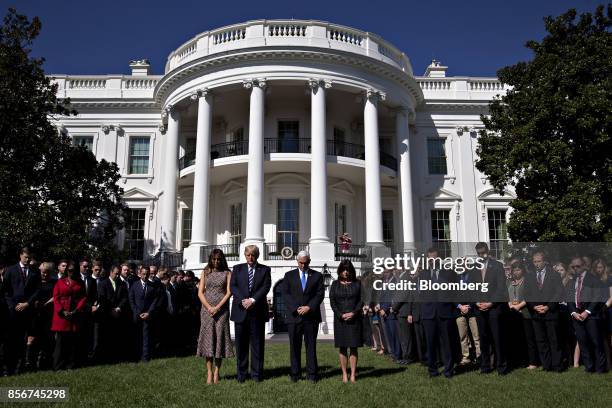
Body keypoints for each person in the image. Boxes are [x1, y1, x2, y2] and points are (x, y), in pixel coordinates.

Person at [230, 245, 271, 382]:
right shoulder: (237, 269)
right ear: (245, 255)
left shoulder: (265, 269)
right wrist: (243, 300)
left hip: (257, 312)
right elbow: (233, 286)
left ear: (257, 256)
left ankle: (256, 375)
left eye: (253, 255)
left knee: (257, 345)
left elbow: (266, 286)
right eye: (248, 255)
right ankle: (241, 375)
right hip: (240, 311)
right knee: (241, 346)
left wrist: (252, 300)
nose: (250, 258)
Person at [282, 251, 324, 382]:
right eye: (301, 262)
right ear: (297, 261)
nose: (303, 265)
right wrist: (296, 308)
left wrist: (309, 307)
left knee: (311, 346)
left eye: (306, 263)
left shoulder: (317, 276)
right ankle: (295, 374)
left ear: (309, 261)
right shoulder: (289, 275)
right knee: (294, 347)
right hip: (294, 317)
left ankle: (312, 375)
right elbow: (285, 294)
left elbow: (319, 294)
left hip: (311, 317)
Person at [196, 249, 234, 384]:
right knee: (208, 340)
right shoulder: (205, 272)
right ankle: (209, 372)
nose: (216, 262)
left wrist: (217, 307)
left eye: (218, 259)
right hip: (206, 311)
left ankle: (217, 371)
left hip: (222, 311)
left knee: (219, 340)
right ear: (211, 259)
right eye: (214, 259)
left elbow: (229, 292)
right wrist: (209, 307)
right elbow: (200, 292)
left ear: (222, 259)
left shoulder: (228, 273)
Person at [420, 248, 457, 378]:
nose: (432, 261)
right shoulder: (423, 274)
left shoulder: (448, 272)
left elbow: (454, 291)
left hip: (445, 313)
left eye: (434, 258)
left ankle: (448, 370)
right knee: (430, 344)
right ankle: (432, 370)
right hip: (429, 313)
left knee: (447, 343)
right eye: (430, 259)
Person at [3, 247, 41, 375]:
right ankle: (9, 368)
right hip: (13, 312)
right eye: (25, 257)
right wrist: (13, 306)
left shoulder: (35, 272)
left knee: (24, 341)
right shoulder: (11, 270)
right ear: (20, 256)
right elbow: (6, 291)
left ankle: (21, 368)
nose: (27, 260)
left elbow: (37, 290)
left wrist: (27, 303)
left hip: (27, 311)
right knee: (11, 341)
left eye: (29, 258)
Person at [524, 251, 564, 372]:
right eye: (534, 262)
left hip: (550, 312)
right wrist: (534, 307)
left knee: (554, 340)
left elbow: (559, 292)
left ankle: (557, 366)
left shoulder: (554, 274)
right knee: (541, 341)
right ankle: (546, 366)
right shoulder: (529, 276)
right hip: (536, 313)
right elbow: (526, 294)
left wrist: (548, 306)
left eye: (539, 261)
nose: (536, 264)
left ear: (544, 261)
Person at [567, 256, 608, 373]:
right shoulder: (571, 281)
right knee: (582, 342)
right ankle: (589, 368)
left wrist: (587, 311)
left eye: (578, 266)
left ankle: (600, 369)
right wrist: (574, 312)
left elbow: (597, 297)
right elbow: (569, 298)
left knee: (596, 342)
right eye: (573, 267)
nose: (575, 269)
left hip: (592, 315)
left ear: (584, 265)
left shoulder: (593, 279)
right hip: (577, 316)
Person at [473, 242, 509, 375]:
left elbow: (501, 289)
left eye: (483, 252)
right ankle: (485, 366)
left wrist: (490, 303)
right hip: (479, 308)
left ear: (488, 251)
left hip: (494, 308)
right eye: (479, 253)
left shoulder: (498, 266)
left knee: (497, 338)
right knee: (483, 339)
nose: (482, 255)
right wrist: (477, 302)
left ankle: (501, 367)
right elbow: (471, 287)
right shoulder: (474, 267)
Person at [329, 259, 363, 383]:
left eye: (348, 270)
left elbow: (361, 300)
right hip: (340, 320)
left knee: (354, 347)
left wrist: (353, 313)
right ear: (339, 271)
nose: (345, 272)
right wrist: (340, 315)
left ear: (351, 270)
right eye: (343, 270)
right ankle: (344, 374)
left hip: (354, 320)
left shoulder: (357, 283)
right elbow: (332, 302)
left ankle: (353, 374)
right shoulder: (334, 284)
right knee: (342, 348)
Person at [51, 262, 86, 371]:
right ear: (66, 271)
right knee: (60, 343)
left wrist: (76, 310)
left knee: (72, 343)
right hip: (62, 317)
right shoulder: (60, 282)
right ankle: (57, 366)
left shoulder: (80, 283)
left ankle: (70, 365)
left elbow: (83, 298)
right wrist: (62, 311)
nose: (71, 272)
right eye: (69, 270)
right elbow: (55, 298)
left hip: (73, 315)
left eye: (73, 270)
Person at [506, 262, 538, 369]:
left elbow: (529, 296)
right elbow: (506, 295)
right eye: (514, 270)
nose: (516, 272)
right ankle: (518, 361)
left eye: (518, 269)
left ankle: (532, 362)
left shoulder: (527, 281)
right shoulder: (509, 282)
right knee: (516, 338)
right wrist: (510, 304)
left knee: (528, 338)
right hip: (512, 313)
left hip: (525, 313)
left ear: (522, 270)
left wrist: (519, 306)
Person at [97, 265, 129, 363]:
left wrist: (118, 308)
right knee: (106, 337)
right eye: (116, 273)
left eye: (118, 274)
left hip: (118, 313)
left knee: (116, 337)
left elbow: (125, 297)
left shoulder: (121, 284)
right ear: (110, 272)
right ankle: (105, 357)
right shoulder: (103, 283)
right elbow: (102, 298)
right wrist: (111, 310)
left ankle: (115, 357)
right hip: (107, 314)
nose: (117, 275)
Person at [27, 262, 56, 371]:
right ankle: (30, 363)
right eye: (43, 272)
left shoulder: (54, 282)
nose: (45, 275)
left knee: (47, 339)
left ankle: (44, 364)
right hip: (35, 314)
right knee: (32, 338)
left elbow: (55, 296)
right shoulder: (35, 281)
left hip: (48, 313)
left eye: (47, 273)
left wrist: (46, 303)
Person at [128, 265, 160, 362]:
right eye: (143, 274)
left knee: (146, 337)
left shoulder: (152, 286)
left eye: (147, 274)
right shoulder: (134, 285)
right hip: (136, 315)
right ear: (140, 274)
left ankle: (145, 357)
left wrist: (149, 312)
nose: (145, 276)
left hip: (147, 315)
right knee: (136, 336)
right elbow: (131, 299)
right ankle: (136, 356)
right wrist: (137, 312)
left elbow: (155, 300)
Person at [455, 260, 481, 366]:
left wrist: (469, 306)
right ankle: (466, 357)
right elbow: (451, 295)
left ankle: (479, 356)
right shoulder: (454, 279)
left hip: (473, 310)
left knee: (476, 336)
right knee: (463, 336)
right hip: (459, 311)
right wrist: (460, 306)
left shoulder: (473, 277)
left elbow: (476, 293)